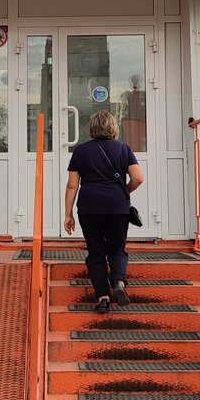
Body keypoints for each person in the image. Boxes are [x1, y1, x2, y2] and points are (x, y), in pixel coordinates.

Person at [64, 110, 145, 312]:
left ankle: (103, 298)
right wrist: (123, 191)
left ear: (92, 128)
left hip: (89, 207)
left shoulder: (80, 151)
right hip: (118, 207)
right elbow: (138, 178)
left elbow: (72, 185)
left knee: (96, 252)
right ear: (113, 127)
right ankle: (118, 281)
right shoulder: (124, 149)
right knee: (117, 249)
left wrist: (68, 214)